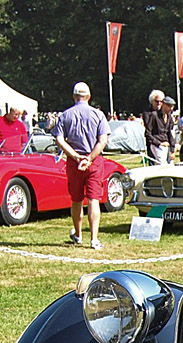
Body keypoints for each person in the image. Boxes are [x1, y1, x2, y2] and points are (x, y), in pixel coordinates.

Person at [53, 82, 110, 249]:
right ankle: (94, 239)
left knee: (76, 200)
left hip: (74, 162)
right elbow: (103, 141)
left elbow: (59, 139)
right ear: (89, 97)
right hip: (94, 161)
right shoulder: (98, 115)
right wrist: (90, 158)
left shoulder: (65, 115)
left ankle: (78, 235)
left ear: (74, 96)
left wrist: (76, 156)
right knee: (94, 200)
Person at [143, 89, 170, 164]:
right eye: (156, 101)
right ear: (152, 101)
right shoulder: (147, 113)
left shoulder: (164, 113)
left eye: (161, 101)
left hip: (165, 143)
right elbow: (148, 131)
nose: (159, 103)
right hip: (153, 143)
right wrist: (158, 143)